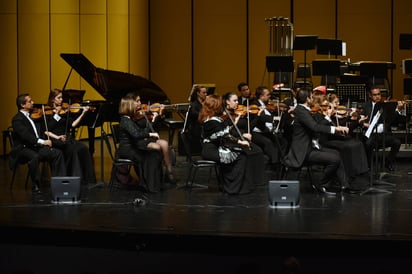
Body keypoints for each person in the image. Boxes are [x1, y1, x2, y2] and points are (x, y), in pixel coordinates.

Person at [283, 89, 358, 195]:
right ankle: (320, 183)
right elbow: (315, 127)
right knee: (335, 159)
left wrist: (333, 124)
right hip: (303, 151)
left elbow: (314, 128)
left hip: (309, 147)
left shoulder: (303, 109)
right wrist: (335, 129)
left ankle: (344, 185)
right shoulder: (301, 111)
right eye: (311, 97)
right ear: (308, 99)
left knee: (337, 154)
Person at [199, 94, 257, 194]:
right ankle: (232, 188)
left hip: (217, 147)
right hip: (211, 150)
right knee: (240, 156)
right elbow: (224, 135)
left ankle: (236, 187)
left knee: (242, 153)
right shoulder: (210, 122)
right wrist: (240, 141)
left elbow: (225, 131)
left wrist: (237, 124)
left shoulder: (214, 118)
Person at [10, 93, 66, 193]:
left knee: (57, 153)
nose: (33, 103)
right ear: (23, 105)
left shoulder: (32, 116)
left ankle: (59, 182)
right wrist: (43, 141)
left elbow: (41, 131)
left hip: (35, 146)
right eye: (30, 101)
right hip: (23, 148)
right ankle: (36, 185)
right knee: (34, 156)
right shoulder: (17, 119)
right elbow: (26, 136)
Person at [117, 94, 171, 193]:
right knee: (151, 156)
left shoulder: (129, 119)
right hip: (127, 150)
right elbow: (136, 134)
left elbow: (142, 131)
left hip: (133, 148)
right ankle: (150, 186)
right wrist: (150, 133)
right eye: (137, 101)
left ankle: (154, 184)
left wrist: (153, 122)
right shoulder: (125, 120)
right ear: (130, 104)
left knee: (155, 154)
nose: (140, 103)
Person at [43, 89, 96, 185]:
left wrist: (83, 113)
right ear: (52, 100)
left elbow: (73, 124)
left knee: (83, 148)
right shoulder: (48, 113)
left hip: (67, 138)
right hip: (55, 139)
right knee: (72, 150)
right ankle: (75, 179)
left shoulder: (64, 111)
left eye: (61, 97)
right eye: (59, 98)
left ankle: (88, 180)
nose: (61, 100)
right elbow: (48, 128)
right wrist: (56, 114)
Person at [312, 92, 369, 180]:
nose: (327, 107)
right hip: (326, 140)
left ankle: (360, 171)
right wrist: (329, 117)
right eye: (325, 104)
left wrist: (353, 120)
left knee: (358, 143)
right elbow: (320, 127)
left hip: (333, 137)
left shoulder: (328, 113)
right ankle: (349, 174)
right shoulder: (317, 115)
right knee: (347, 146)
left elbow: (339, 125)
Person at [222, 92, 266, 184]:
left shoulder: (238, 113)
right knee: (250, 153)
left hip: (243, 139)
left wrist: (257, 116)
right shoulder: (224, 115)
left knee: (258, 151)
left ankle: (257, 180)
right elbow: (226, 132)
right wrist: (242, 134)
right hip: (232, 140)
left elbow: (249, 127)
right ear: (227, 102)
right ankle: (247, 180)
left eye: (237, 100)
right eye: (234, 100)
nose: (237, 102)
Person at [361, 86, 404, 171]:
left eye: (379, 94)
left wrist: (398, 109)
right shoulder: (365, 106)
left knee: (397, 142)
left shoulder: (386, 105)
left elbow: (394, 120)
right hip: (372, 134)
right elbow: (361, 118)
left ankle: (388, 162)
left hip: (384, 134)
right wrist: (364, 124)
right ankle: (369, 166)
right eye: (374, 95)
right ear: (370, 95)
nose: (377, 96)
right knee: (368, 144)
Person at [185, 85, 208, 155]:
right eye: (203, 93)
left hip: (204, 125)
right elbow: (195, 115)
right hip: (196, 128)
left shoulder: (206, 103)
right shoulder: (194, 104)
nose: (206, 94)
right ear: (198, 93)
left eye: (206, 92)